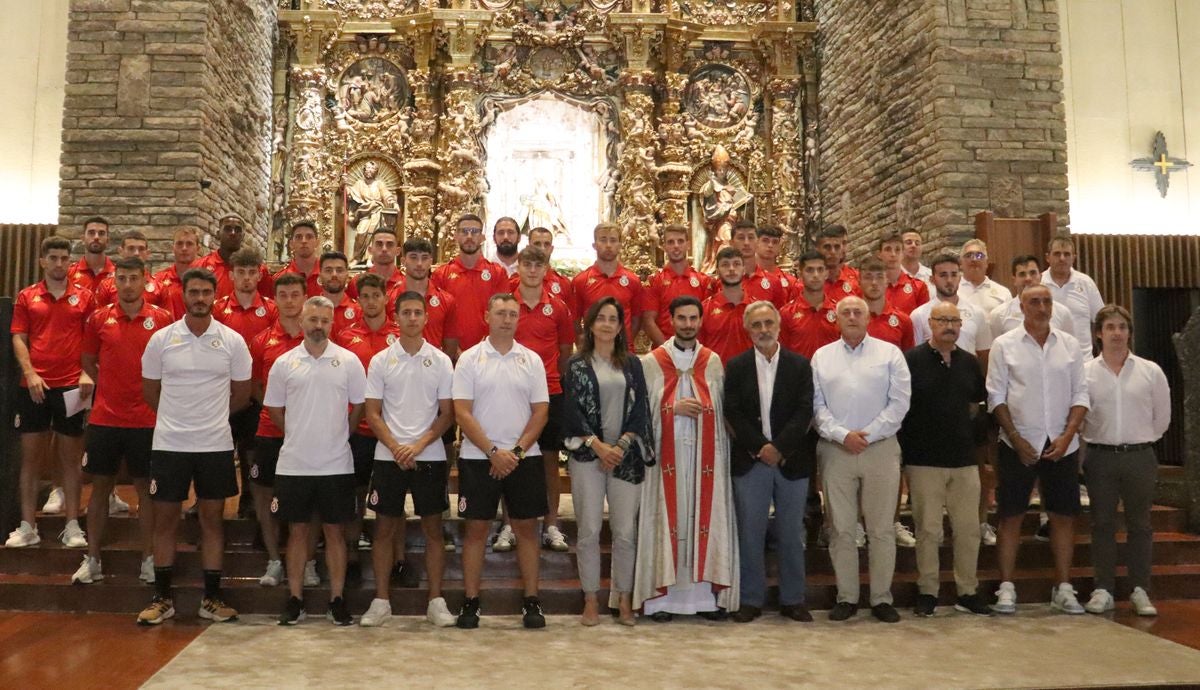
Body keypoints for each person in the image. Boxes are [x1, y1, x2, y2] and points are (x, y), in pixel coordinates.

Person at [137, 268, 252, 625]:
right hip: (170, 444)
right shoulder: (161, 340)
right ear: (183, 295)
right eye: (194, 292)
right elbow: (150, 392)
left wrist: (210, 418)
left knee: (212, 521)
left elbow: (243, 394)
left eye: (206, 292)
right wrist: (179, 419)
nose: (200, 298)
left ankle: (212, 599)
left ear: (215, 295)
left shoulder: (232, 341)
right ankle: (162, 598)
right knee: (166, 520)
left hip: (214, 445)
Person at [633, 296, 738, 620]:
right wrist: (670, 408)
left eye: (693, 318)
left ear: (700, 321)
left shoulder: (713, 362)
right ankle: (661, 601)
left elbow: (724, 411)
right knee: (668, 520)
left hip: (706, 459)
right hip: (668, 457)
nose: (688, 324)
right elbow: (639, 414)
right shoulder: (652, 362)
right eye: (682, 318)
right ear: (671, 320)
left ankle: (705, 600)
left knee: (703, 519)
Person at [986, 285, 1088, 615]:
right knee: (1011, 515)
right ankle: (1006, 587)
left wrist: (1066, 436)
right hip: (1018, 444)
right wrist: (1016, 439)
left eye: (1046, 301)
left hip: (1062, 444)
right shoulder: (1004, 345)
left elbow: (1080, 396)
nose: (1041, 307)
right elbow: (996, 397)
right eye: (1034, 301)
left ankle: (1064, 586)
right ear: (1021, 305)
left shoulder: (1069, 346)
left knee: (1062, 516)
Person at [72, 257, 173, 584]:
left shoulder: (162, 320)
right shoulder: (99, 319)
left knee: (147, 492)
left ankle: (148, 559)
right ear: (115, 282)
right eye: (122, 279)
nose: (127, 285)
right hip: (106, 419)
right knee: (100, 489)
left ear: (145, 281)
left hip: (147, 420)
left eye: (134, 278)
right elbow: (88, 360)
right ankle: (93, 559)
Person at [266, 296, 367, 626]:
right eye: (313, 320)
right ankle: (295, 599)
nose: (318, 325)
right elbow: (276, 411)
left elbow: (358, 408)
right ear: (301, 322)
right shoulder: (284, 364)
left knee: (335, 533)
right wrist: (298, 433)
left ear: (332, 322)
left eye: (324, 320)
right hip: (294, 464)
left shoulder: (349, 361)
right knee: (297, 533)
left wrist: (338, 434)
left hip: (336, 463)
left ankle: (336, 599)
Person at [452, 294, 550, 629]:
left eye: (512, 314)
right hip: (479, 458)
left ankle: (532, 601)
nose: (507, 319)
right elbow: (462, 411)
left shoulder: (532, 360)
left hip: (524, 458)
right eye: (500, 313)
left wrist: (516, 453)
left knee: (526, 529)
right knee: (476, 529)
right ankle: (470, 601)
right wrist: (494, 452)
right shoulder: (469, 359)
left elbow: (541, 412)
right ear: (487, 316)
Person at [360, 291, 457, 627]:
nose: (413, 318)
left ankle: (436, 600)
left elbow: (447, 414)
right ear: (396, 317)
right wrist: (397, 446)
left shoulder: (442, 361)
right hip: (388, 457)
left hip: (428, 455)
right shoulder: (380, 361)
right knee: (384, 529)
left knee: (433, 529)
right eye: (406, 312)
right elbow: (372, 414)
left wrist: (417, 445)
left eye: (418, 312)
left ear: (426, 318)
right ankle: (381, 600)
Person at [812, 296, 910, 623]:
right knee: (841, 527)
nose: (852, 317)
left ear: (868, 318)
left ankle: (881, 597)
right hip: (836, 450)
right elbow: (816, 406)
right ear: (835, 319)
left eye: (858, 312)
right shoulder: (822, 357)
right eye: (846, 313)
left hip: (880, 448)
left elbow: (899, 403)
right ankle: (847, 597)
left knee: (881, 528)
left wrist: (867, 433)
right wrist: (843, 436)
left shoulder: (890, 354)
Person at [561, 296, 654, 626]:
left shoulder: (632, 364)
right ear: (590, 324)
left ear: (620, 326)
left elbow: (641, 408)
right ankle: (590, 599)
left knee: (625, 531)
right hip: (588, 457)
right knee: (588, 529)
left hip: (625, 458)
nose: (606, 324)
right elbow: (570, 410)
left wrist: (622, 445)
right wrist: (598, 445)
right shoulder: (576, 365)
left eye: (612, 319)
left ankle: (624, 598)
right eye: (600, 318)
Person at [725, 301, 815, 623]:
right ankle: (751, 599)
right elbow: (731, 411)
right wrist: (760, 447)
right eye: (756, 325)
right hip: (751, 461)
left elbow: (805, 411)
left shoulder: (800, 366)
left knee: (791, 532)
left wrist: (778, 447)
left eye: (768, 323)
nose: (763, 330)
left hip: (791, 461)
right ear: (747, 330)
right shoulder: (734, 368)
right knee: (751, 532)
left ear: (778, 326)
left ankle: (793, 599)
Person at [900, 302, 992, 617]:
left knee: (968, 529)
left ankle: (967, 590)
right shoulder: (911, 360)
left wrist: (974, 439)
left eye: (955, 320)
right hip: (924, 459)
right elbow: (903, 410)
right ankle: (928, 590)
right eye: (943, 320)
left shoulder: (969, 363)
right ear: (930, 324)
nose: (949, 326)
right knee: (928, 530)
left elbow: (978, 405)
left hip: (964, 460)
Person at [1082, 305, 1170, 617]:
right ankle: (1103, 588)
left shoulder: (1150, 371)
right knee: (1102, 523)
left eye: (1122, 327)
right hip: (1101, 457)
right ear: (1099, 333)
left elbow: (1162, 418)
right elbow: (1080, 417)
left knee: (1140, 525)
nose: (1117, 333)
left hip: (1139, 456)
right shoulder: (1086, 372)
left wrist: (1139, 438)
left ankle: (1140, 589)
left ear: (1129, 332)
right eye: (1110, 328)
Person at [7, 237, 95, 549]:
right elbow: (19, 336)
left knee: (72, 461)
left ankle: (72, 525)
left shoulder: (84, 297)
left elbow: (91, 340)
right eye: (53, 258)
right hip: (34, 389)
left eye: (64, 258)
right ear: (43, 261)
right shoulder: (27, 296)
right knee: (31, 459)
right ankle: (27, 526)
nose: (59, 263)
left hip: (72, 386)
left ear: (70, 261)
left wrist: (87, 371)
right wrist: (29, 372)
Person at [492, 246, 575, 554]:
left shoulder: (558, 307)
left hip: (550, 390)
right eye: (526, 264)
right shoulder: (507, 306)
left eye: (537, 265)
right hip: (511, 390)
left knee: (550, 461)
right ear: (519, 267)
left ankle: (551, 524)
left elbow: (566, 350)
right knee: (511, 455)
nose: (531, 270)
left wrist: (548, 378)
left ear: (545, 269)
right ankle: (509, 525)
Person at [335, 273, 402, 583]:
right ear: (358, 301)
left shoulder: (401, 334)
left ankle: (399, 561)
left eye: (377, 295)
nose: (372, 301)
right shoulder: (346, 336)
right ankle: (350, 558)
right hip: (358, 429)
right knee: (355, 496)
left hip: (393, 431)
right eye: (366, 296)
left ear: (386, 298)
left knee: (394, 501)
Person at [247, 272, 308, 587]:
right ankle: (273, 559)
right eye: (282, 295)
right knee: (263, 495)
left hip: (310, 435)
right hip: (271, 431)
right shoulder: (262, 341)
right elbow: (257, 385)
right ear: (275, 300)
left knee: (310, 501)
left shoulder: (318, 338)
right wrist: (279, 413)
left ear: (304, 298)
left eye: (295, 294)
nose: (289, 301)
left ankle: (307, 561)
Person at [213, 247, 279, 518]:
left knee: (252, 451)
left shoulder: (271, 309)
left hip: (255, 395)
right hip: (224, 393)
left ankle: (250, 500)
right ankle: (209, 499)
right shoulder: (218, 309)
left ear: (259, 274)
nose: (247, 278)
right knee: (219, 450)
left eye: (252, 272)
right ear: (231, 275)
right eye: (241, 272)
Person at [431, 213, 506, 354]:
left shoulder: (497, 273)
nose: (470, 236)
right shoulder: (441, 274)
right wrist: (453, 349)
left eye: (475, 231)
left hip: (488, 352)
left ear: (482, 237)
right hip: (451, 354)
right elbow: (438, 317)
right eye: (464, 231)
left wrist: (484, 347)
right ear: (455, 236)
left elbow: (501, 314)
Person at [571, 222, 644, 348]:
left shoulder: (633, 280)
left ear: (620, 245)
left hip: (623, 352)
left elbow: (637, 319)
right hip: (592, 351)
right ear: (595, 245)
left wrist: (624, 342)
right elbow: (575, 321)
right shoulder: (581, 280)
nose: (608, 245)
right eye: (603, 240)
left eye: (613, 240)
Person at [910, 254, 992, 365]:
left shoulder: (977, 313)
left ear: (959, 277)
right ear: (932, 279)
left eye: (954, 275)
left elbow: (984, 354)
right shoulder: (919, 315)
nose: (949, 280)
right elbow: (916, 355)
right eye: (943, 275)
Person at [642, 224, 712, 348]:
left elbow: (707, 322)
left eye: (680, 241)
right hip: (664, 353)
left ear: (688, 245)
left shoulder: (703, 281)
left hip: (696, 353)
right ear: (664, 247)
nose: (676, 246)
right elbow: (648, 321)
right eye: (671, 242)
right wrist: (669, 350)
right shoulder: (655, 281)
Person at [1041, 234, 1104, 360]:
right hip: (1048, 360)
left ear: (1074, 258)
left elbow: (1101, 320)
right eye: (1057, 254)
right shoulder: (1038, 283)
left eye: (1067, 254)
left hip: (1083, 360)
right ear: (1048, 257)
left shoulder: (1086, 283)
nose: (1062, 258)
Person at [398, 237, 458, 356]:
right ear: (403, 261)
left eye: (424, 258)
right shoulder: (390, 298)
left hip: (434, 370)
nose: (419, 264)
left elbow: (450, 346)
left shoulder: (446, 300)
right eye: (413, 257)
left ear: (431, 261)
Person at [989, 255, 1075, 338]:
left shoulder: (1062, 313)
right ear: (1014, 280)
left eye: (1033, 273)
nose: (1028, 279)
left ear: (1040, 277)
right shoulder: (998, 315)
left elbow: (1068, 347)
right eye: (1022, 274)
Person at [195, 213, 273, 299]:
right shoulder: (201, 266)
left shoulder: (259, 270)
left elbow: (267, 303)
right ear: (218, 234)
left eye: (238, 230)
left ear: (243, 236)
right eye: (228, 229)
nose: (233, 233)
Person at [779, 250, 840, 359]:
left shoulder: (839, 312)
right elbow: (782, 354)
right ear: (801, 274)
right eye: (810, 270)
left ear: (826, 273)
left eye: (820, 270)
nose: (815, 275)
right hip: (799, 375)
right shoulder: (786, 313)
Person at [699, 246, 754, 364]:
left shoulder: (757, 308)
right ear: (717, 271)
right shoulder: (704, 309)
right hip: (716, 378)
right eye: (725, 264)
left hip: (751, 378)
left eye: (736, 264)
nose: (731, 269)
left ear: (744, 269)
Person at [274, 220, 356, 298]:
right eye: (299, 237)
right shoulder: (279, 278)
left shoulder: (333, 275)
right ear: (291, 244)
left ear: (317, 242)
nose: (304, 241)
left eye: (309, 237)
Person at [92, 231, 164, 309]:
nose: (136, 253)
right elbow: (98, 318)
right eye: (131, 248)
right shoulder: (106, 286)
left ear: (147, 253)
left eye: (141, 249)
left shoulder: (159, 287)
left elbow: (166, 319)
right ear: (120, 251)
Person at [860, 257, 915, 352]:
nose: (874, 283)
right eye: (868, 277)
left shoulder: (903, 321)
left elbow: (908, 361)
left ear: (887, 281)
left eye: (880, 277)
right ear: (859, 281)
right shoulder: (849, 319)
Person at [730, 222, 788, 307]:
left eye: (751, 238)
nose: (746, 243)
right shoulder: (722, 281)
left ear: (757, 241)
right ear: (732, 243)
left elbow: (779, 317)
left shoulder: (774, 282)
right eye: (741, 238)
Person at [153, 226, 201, 319]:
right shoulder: (158, 280)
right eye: (179, 243)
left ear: (198, 249)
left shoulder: (206, 281)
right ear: (173, 247)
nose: (184, 248)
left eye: (189, 244)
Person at [877, 232, 929, 315]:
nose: (893, 254)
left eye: (897, 250)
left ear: (903, 253)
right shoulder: (872, 286)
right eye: (888, 249)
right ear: (879, 254)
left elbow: (923, 321)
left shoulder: (918, 287)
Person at [958, 239, 1012, 318]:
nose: (974, 259)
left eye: (979, 255)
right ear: (960, 263)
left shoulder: (1003, 293)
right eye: (968, 255)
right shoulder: (952, 291)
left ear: (986, 263)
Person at [521, 226, 574, 305]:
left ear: (551, 249)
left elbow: (571, 316)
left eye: (546, 244)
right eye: (537, 244)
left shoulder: (563, 283)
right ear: (528, 247)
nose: (542, 248)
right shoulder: (515, 281)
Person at [317, 251, 363, 337]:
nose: (334, 274)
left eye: (339, 270)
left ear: (347, 275)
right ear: (320, 275)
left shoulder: (359, 311)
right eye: (328, 270)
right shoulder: (310, 311)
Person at [67, 217, 114, 293]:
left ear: (107, 240)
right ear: (83, 239)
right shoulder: (68, 274)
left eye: (101, 233)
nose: (96, 237)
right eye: (91, 233)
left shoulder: (118, 275)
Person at [816, 224, 862, 304]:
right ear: (817, 250)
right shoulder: (807, 285)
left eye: (837, 247)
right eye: (827, 247)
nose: (833, 252)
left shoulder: (858, 279)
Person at [754, 225, 798, 301]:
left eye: (775, 242)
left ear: (779, 246)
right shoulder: (743, 278)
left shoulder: (790, 281)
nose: (770, 245)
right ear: (756, 243)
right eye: (765, 240)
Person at [364, 228, 403, 296]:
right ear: (370, 250)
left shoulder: (406, 283)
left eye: (389, 244)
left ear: (398, 251)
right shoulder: (356, 283)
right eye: (379, 244)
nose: (384, 249)